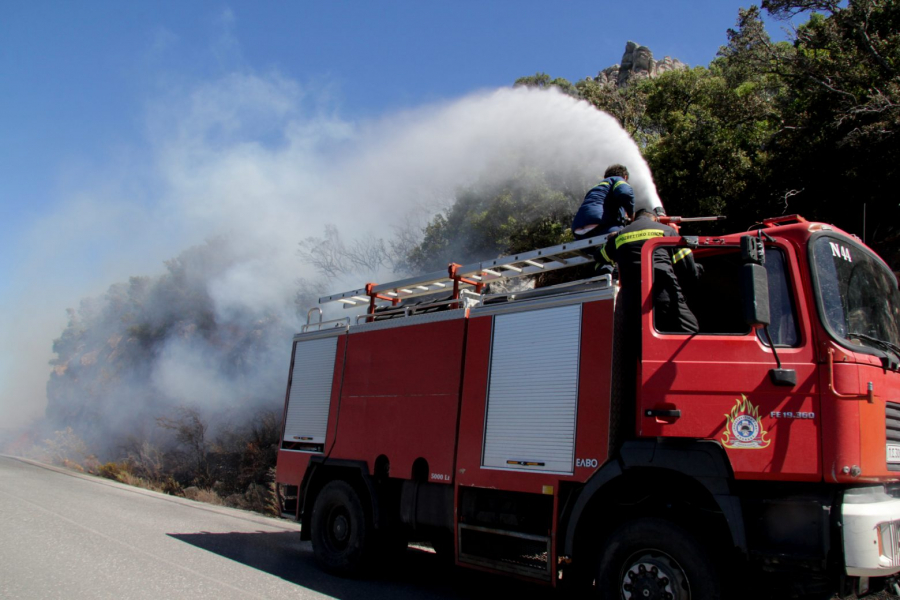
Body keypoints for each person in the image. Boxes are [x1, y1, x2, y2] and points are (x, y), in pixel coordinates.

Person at [600, 209, 701, 334]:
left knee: (639, 341)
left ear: (634, 219)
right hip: (664, 294)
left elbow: (600, 256)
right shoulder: (667, 231)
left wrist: (612, 241)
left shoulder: (620, 235)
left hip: (630, 302)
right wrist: (696, 272)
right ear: (655, 219)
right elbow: (687, 267)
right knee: (690, 331)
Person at [571, 164, 635, 240]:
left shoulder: (597, 187)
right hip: (603, 227)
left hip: (579, 232)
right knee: (631, 238)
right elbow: (625, 193)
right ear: (625, 177)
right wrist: (631, 215)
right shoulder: (617, 179)